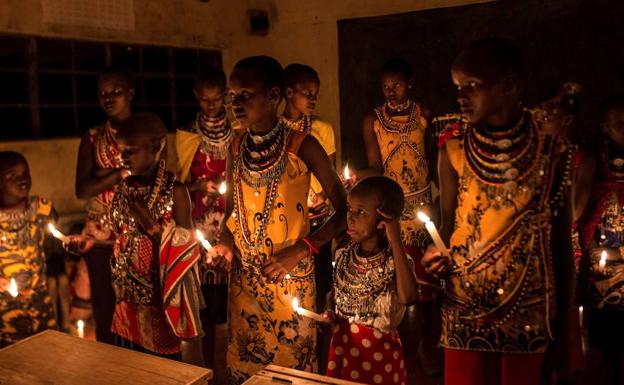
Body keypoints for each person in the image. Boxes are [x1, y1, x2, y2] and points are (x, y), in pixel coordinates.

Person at [423, 38, 575, 385]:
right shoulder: (454, 148)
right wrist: (437, 253)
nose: (461, 96)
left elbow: (561, 246)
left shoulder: (550, 148)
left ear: (509, 85)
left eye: (472, 86)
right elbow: (447, 228)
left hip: (528, 310)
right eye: (458, 87)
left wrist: (565, 331)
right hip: (464, 310)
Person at [209, 56, 347, 384]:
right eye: (232, 97)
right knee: (247, 370)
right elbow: (232, 210)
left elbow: (345, 211)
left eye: (245, 94)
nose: (235, 104)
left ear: (273, 95)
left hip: (289, 280)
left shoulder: (303, 146)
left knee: (290, 374)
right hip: (245, 282)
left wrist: (302, 249)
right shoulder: (237, 145)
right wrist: (225, 245)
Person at [71, 112, 204, 364]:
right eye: (121, 151)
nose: (123, 158)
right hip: (125, 299)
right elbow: (121, 237)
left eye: (130, 151)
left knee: (163, 369)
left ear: (156, 146)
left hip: (159, 302)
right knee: (130, 366)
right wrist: (89, 242)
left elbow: (188, 250)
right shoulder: (124, 189)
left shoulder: (175, 191)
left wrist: (152, 226)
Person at [361, 58, 441, 377]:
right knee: (399, 286)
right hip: (392, 211)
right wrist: (358, 179)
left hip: (423, 211)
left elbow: (435, 161)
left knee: (429, 287)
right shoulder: (373, 121)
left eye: (397, 85)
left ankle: (430, 347)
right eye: (385, 86)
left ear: (411, 83)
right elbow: (377, 167)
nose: (391, 91)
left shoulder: (425, 116)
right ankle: (404, 353)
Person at [323, 176, 419, 385]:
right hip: (344, 349)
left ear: (383, 220)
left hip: (379, 356)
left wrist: (395, 238)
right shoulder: (342, 256)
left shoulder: (397, 262)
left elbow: (409, 297)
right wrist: (329, 314)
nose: (351, 217)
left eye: (361, 212)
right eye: (349, 209)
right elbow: (335, 296)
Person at [281, 63, 337, 370]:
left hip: (317, 220)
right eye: (307, 93)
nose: (313, 99)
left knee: (320, 286)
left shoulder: (322, 130)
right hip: (287, 221)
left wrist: (323, 198)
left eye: (316, 94)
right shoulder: (274, 131)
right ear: (288, 93)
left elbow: (330, 177)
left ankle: (318, 355)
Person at [176, 66, 231, 370]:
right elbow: (178, 183)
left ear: (225, 95)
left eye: (217, 99)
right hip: (200, 228)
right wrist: (199, 186)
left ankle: (232, 362)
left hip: (232, 224)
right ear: (196, 96)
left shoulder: (239, 130)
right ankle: (209, 367)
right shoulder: (186, 133)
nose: (212, 105)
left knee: (231, 298)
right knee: (207, 303)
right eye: (205, 100)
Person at [74, 67, 134, 344]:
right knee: (106, 309)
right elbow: (82, 189)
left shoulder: (147, 131)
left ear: (131, 93)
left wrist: (100, 176)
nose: (109, 99)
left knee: (139, 308)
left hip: (136, 234)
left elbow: (154, 182)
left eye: (116, 92)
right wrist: (116, 174)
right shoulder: (92, 138)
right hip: (100, 237)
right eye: (103, 94)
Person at [578, 95, 624, 385]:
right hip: (604, 254)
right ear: (604, 128)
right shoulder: (595, 159)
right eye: (620, 124)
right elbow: (583, 202)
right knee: (606, 320)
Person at [0, 151, 56, 347]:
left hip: (39, 303)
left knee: (45, 353)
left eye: (25, 173)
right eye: (12, 176)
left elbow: (51, 244)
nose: (22, 179)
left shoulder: (42, 209)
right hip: (5, 310)